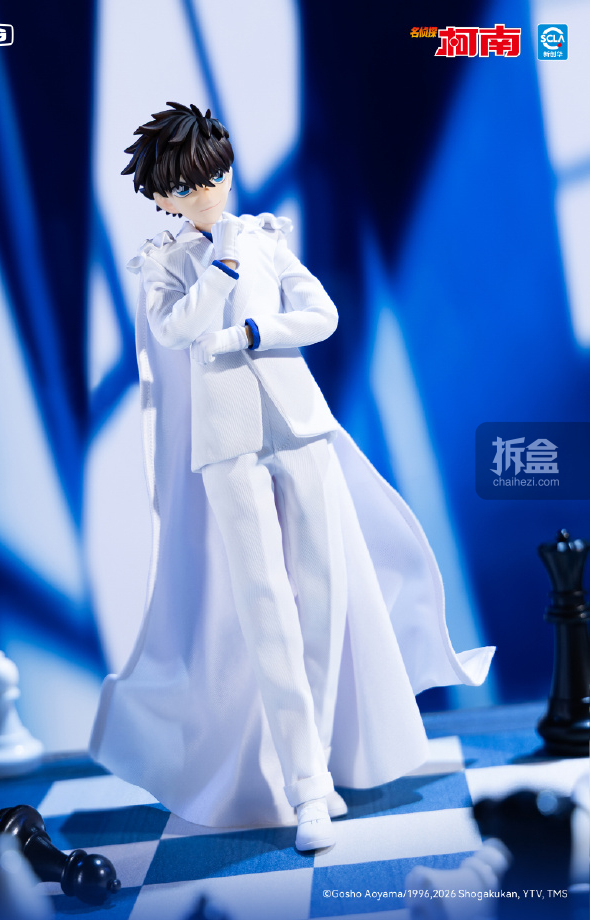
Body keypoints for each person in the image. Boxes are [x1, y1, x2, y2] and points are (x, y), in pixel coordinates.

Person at [89, 102, 494, 851]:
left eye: (213, 174)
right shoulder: (166, 264)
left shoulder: (265, 239)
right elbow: (175, 332)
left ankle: (323, 763)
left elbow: (322, 315)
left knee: (324, 593)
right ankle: (306, 786)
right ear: (163, 197)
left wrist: (255, 330)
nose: (206, 191)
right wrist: (219, 275)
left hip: (299, 424)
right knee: (265, 607)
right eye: (186, 185)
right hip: (225, 444)